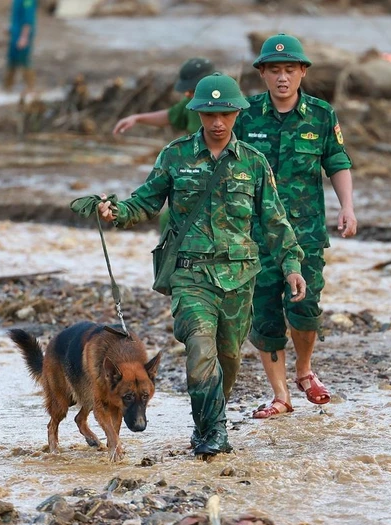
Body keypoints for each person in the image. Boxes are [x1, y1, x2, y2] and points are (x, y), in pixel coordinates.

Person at [96, 73, 306, 457]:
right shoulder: (175, 156)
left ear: (237, 113)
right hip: (191, 276)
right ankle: (213, 435)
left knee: (227, 358)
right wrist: (116, 212)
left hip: (240, 279)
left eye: (225, 113)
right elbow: (144, 202)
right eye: (209, 114)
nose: (218, 122)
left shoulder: (254, 163)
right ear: (197, 113)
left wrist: (292, 264)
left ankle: (208, 422)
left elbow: (275, 220)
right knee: (199, 352)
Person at [233, 33, 357, 419]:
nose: (282, 78)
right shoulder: (246, 114)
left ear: (302, 72)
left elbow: (336, 162)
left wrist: (347, 207)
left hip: (304, 234)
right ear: (263, 74)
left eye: (289, 70)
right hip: (256, 235)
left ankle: (304, 370)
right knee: (265, 314)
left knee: (305, 309)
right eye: (274, 70)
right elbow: (222, 163)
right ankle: (281, 396)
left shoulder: (321, 115)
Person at [113, 57, 215, 137]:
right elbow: (170, 116)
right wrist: (137, 118)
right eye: (187, 91)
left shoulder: (227, 106)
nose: (188, 95)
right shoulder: (191, 103)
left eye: (192, 90)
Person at [3, 0, 37, 93]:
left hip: (22, 35)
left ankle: (31, 88)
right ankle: (7, 87)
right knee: (12, 60)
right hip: (15, 33)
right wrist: (10, 28)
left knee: (24, 60)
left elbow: (28, 19)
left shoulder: (28, 1)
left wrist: (24, 37)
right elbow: (16, 16)